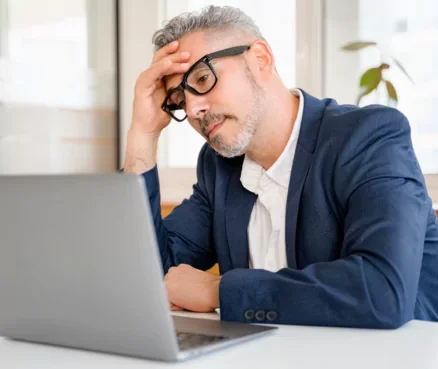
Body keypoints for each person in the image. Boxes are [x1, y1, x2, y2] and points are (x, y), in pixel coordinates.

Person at [122, 5, 438, 328]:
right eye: (178, 101)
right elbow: (149, 275)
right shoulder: (218, 168)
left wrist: (217, 291)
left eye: (203, 78)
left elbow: (382, 291)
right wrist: (142, 139)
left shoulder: (369, 138)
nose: (193, 110)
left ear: (260, 59)